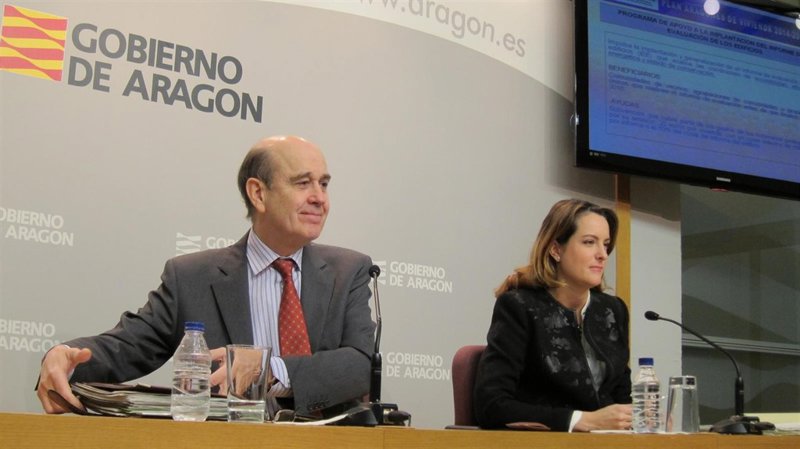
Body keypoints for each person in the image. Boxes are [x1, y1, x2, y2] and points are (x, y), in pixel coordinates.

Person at [36, 135, 376, 418]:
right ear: (258, 193)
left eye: (324, 184)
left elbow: (361, 366)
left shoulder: (349, 272)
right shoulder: (192, 278)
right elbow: (129, 346)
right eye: (303, 183)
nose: (319, 198)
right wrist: (66, 357)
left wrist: (270, 370)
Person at [473, 198, 632, 432]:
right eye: (589, 242)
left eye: (606, 244)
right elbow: (492, 404)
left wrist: (641, 418)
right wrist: (579, 420)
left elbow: (622, 397)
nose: (603, 254)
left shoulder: (612, 310)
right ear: (556, 249)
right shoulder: (519, 306)